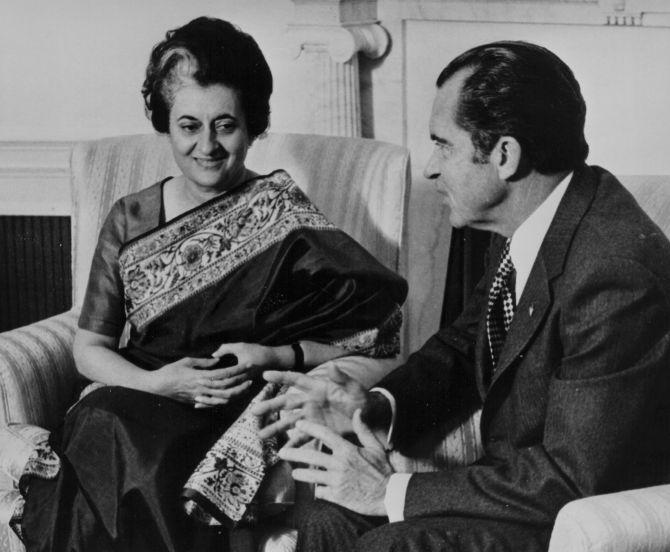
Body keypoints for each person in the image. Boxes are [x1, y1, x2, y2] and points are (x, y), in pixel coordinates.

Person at [252, 41, 670, 551]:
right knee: (329, 517)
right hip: (522, 494)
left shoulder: (614, 273)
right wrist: (374, 407)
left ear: (504, 155)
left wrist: (390, 491)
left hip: (580, 518)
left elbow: (571, 476)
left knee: (386, 545)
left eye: (443, 144)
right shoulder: (533, 219)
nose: (430, 168)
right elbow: (466, 342)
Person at [10, 16, 407, 552]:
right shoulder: (131, 217)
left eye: (226, 125)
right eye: (189, 126)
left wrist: (274, 355)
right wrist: (161, 384)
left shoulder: (283, 214)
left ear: (252, 125)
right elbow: (90, 348)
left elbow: (374, 334)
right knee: (104, 424)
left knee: (130, 443)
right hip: (143, 389)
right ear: (166, 126)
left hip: (233, 405)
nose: (208, 146)